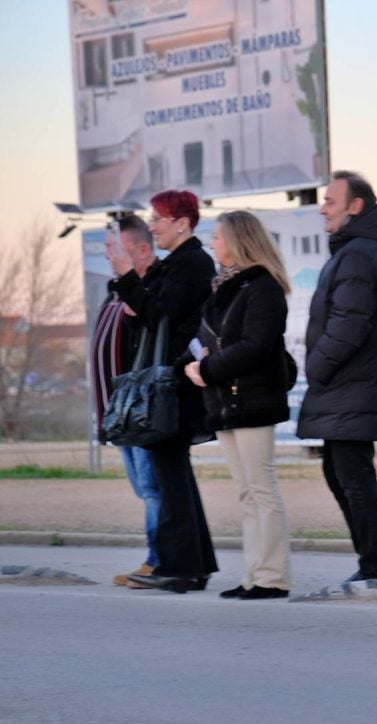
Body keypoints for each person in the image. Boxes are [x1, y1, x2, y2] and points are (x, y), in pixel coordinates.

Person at [181, 211, 294, 600]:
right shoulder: (223, 289)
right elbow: (211, 341)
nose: (213, 244)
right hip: (224, 401)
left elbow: (256, 346)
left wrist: (207, 368)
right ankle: (253, 575)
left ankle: (272, 577)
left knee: (262, 488)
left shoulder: (262, 287)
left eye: (218, 237)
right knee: (246, 491)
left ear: (238, 240)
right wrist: (191, 365)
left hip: (252, 400)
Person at [297, 171, 377, 584]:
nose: (323, 208)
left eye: (330, 201)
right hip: (349, 385)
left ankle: (375, 567)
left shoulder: (359, 253)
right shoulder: (356, 251)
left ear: (355, 206)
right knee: (341, 473)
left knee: (353, 476)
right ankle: (371, 562)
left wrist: (316, 367)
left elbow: (348, 325)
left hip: (351, 384)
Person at [115, 190, 219, 594]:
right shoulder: (178, 263)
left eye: (158, 218)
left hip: (172, 384)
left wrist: (127, 279)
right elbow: (147, 310)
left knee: (171, 474)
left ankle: (178, 566)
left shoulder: (193, 263)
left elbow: (160, 313)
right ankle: (192, 565)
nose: (153, 225)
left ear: (182, 223)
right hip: (169, 382)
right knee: (175, 475)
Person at [93, 214, 161, 586]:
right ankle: (157, 557)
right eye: (105, 247)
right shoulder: (116, 291)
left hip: (139, 410)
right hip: (118, 413)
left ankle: (157, 560)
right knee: (143, 488)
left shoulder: (146, 290)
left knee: (151, 488)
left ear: (142, 249)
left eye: (114, 248)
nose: (107, 255)